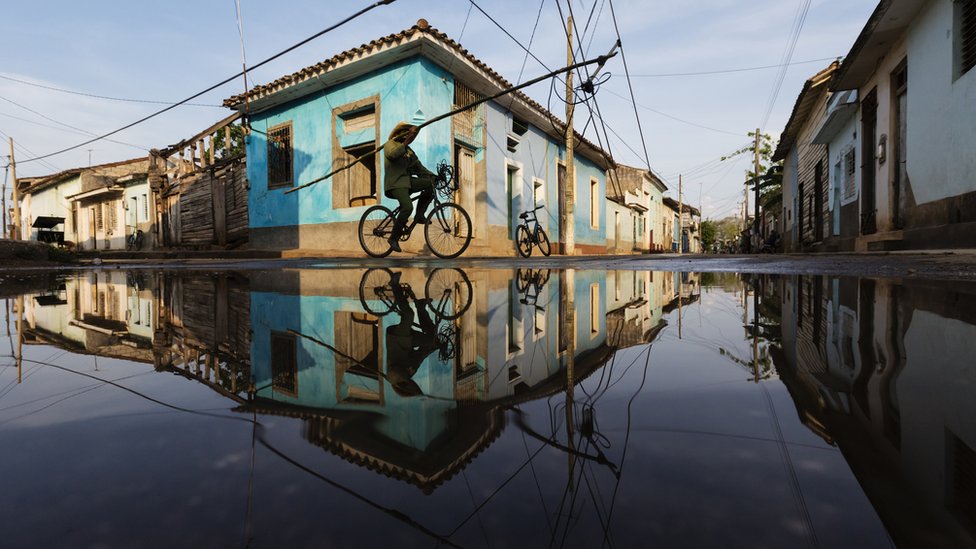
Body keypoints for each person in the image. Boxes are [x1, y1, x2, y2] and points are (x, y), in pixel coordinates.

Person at [384, 272, 440, 397]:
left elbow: (396, 370)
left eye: (410, 386)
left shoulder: (393, 378)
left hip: (398, 339)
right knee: (432, 338)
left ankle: (394, 285)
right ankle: (421, 307)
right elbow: (420, 356)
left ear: (405, 387)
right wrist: (434, 347)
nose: (412, 384)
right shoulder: (410, 375)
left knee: (408, 315)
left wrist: (407, 376)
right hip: (409, 342)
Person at [384, 122, 436, 252]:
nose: (410, 137)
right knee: (407, 207)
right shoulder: (390, 144)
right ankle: (393, 238)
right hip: (395, 183)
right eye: (408, 133)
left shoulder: (409, 151)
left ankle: (419, 215)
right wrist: (406, 142)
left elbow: (419, 167)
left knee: (430, 184)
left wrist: (433, 176)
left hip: (407, 182)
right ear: (400, 134)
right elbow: (392, 155)